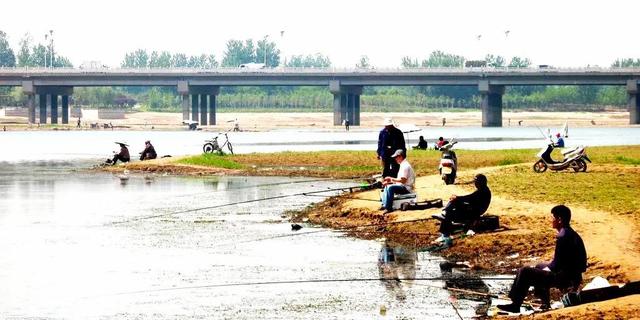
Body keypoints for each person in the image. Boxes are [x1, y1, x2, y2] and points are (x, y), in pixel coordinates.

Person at [498, 205, 587, 313]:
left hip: (566, 277)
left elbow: (556, 265)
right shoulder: (571, 233)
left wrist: (545, 271)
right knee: (539, 266)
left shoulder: (563, 236)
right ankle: (545, 303)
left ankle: (515, 304)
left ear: (559, 220)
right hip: (572, 274)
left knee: (524, 271)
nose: (551, 220)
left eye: (553, 218)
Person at [432, 174, 491, 244]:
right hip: (472, 209)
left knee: (450, 211)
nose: (475, 184)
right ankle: (445, 215)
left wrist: (457, 198)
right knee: (451, 208)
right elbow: (470, 198)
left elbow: (470, 198)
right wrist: (457, 198)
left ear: (481, 182)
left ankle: (445, 233)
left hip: (474, 212)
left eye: (476, 182)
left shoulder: (484, 191)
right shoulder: (482, 190)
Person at [380, 149, 415, 214]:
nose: (395, 159)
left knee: (391, 188)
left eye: (396, 157)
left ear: (400, 156)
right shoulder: (403, 165)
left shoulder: (405, 166)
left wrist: (391, 179)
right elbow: (400, 181)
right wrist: (390, 181)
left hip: (407, 188)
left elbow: (403, 180)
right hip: (403, 186)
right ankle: (384, 204)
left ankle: (389, 208)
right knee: (387, 186)